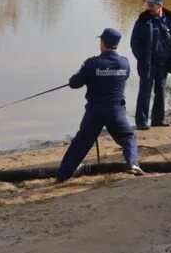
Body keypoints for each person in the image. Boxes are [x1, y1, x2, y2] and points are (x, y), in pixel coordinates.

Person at [57, 28, 143, 182]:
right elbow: (124, 77)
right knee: (128, 138)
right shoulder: (125, 62)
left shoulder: (92, 63)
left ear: (103, 42)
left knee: (80, 144)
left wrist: (73, 80)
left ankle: (62, 177)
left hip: (95, 111)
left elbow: (75, 83)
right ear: (116, 44)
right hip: (116, 110)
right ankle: (133, 164)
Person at [130, 0, 171, 129]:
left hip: (164, 63)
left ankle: (157, 120)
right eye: (148, 4)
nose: (149, 7)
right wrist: (142, 57)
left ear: (160, 5)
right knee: (145, 92)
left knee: (160, 91)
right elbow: (135, 42)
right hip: (148, 63)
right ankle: (141, 122)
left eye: (152, 4)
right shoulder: (143, 20)